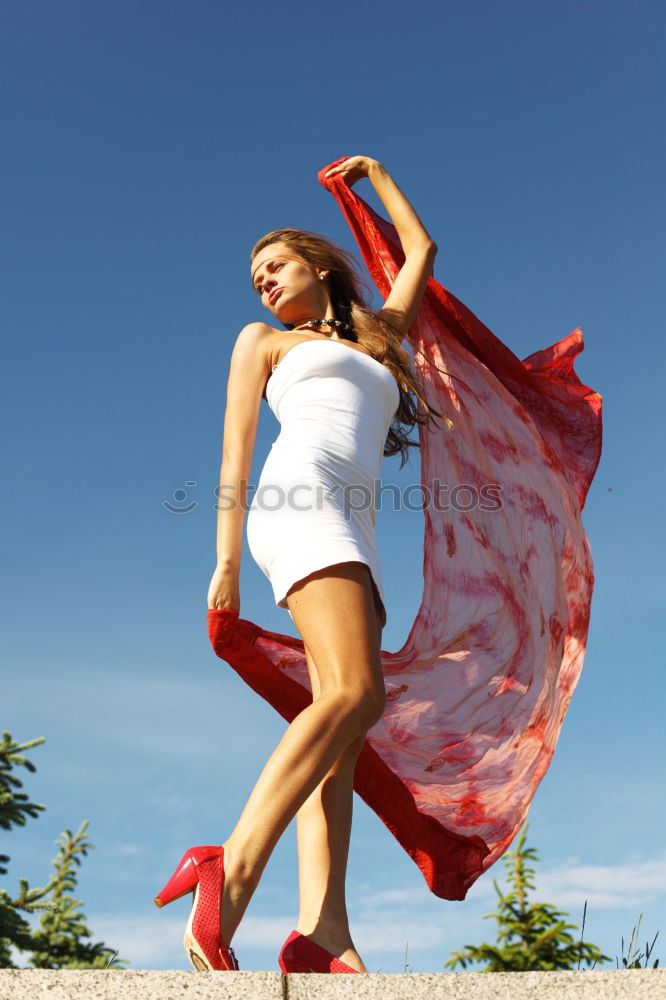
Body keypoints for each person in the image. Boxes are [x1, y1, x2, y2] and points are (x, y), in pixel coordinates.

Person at [154, 156, 443, 974]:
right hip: (300, 502)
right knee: (357, 693)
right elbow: (234, 458)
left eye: (274, 267)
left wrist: (373, 178)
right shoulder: (263, 343)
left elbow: (420, 250)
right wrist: (224, 564)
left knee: (341, 733)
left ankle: (327, 931)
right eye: (255, 279)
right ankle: (231, 866)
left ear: (320, 266)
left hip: (357, 524)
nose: (264, 285)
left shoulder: (381, 336)